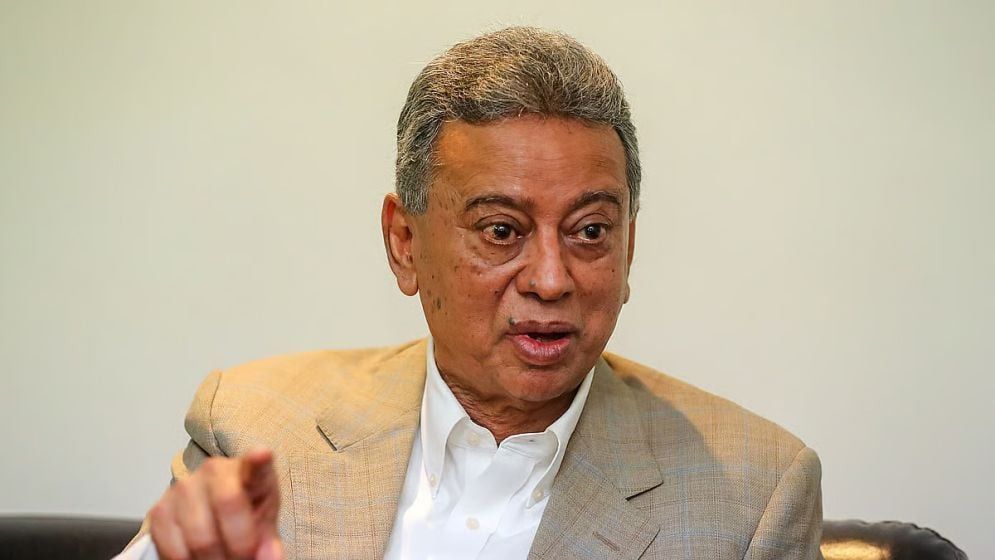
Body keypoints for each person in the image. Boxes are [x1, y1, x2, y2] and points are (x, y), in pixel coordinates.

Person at [118, 26, 823, 560]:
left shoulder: (751, 495)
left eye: (589, 232)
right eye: (500, 230)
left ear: (628, 247)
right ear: (404, 243)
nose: (551, 279)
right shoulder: (255, 427)